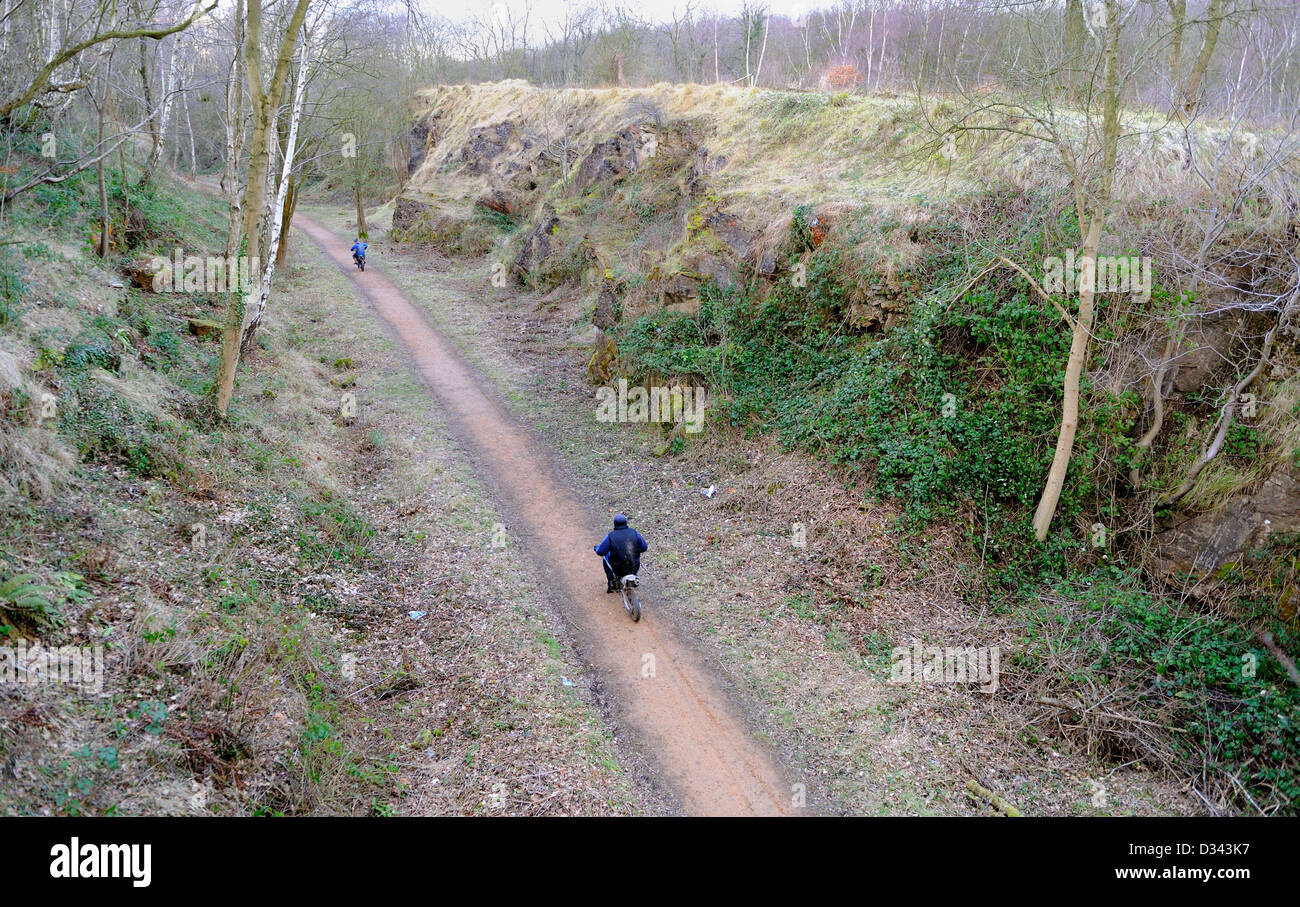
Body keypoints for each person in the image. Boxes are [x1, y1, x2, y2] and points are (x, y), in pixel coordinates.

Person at [594, 514, 647, 593]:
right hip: (634, 567)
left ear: (614, 524)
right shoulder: (635, 533)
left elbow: (601, 552)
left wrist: (596, 548)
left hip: (618, 569)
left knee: (606, 557)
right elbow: (644, 548)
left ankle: (611, 581)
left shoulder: (610, 536)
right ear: (626, 523)